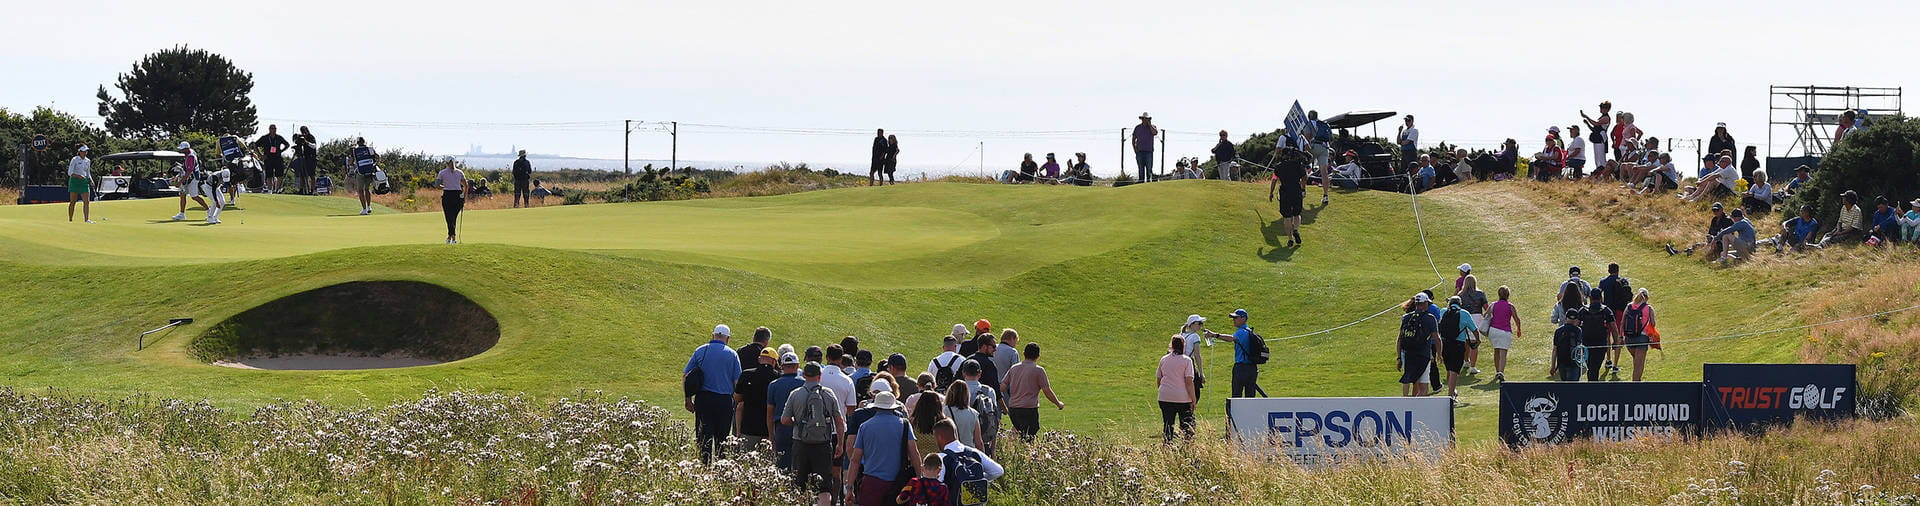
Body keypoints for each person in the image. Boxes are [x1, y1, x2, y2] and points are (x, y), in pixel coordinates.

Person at [781, 362, 846, 506]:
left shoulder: (795, 394)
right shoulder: (828, 394)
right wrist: (840, 444)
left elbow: (784, 420)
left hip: (800, 443)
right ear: (820, 376)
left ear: (803, 375)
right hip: (823, 444)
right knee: (824, 488)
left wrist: (798, 422)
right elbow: (840, 421)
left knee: (799, 485)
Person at [683, 324, 745, 462]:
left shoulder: (700, 351)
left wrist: (687, 399)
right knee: (722, 439)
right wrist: (738, 402)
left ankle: (703, 469)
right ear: (727, 338)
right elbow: (737, 383)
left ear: (713, 335)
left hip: (703, 400)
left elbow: (686, 376)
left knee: (704, 437)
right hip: (724, 401)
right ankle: (720, 469)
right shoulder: (732, 354)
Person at [932, 418, 1003, 506]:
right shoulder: (974, 452)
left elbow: (935, 486)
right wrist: (978, 478)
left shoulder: (941, 458)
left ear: (939, 437)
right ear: (955, 433)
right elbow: (998, 470)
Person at [1001, 342, 1062, 442]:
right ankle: (1025, 455)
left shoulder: (1014, 368)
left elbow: (1002, 387)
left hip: (1014, 408)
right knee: (1029, 436)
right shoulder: (1038, 370)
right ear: (1038, 356)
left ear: (1024, 353)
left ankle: (1013, 451)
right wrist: (1058, 403)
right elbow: (1046, 390)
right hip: (1029, 408)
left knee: (1018, 432)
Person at [1202, 309, 1261, 398]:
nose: (1234, 320)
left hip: (1241, 368)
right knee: (1250, 396)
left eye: (1236, 318)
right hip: (1252, 368)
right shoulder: (1249, 331)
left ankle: (1237, 412)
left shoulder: (1242, 331)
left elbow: (1231, 338)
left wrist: (1215, 335)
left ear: (1243, 318)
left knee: (1236, 395)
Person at [735, 347, 781, 452]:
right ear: (774, 362)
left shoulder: (746, 374)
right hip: (768, 431)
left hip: (748, 428)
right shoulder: (778, 377)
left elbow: (737, 399)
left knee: (745, 463)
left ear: (759, 359)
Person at [766, 352, 805, 470]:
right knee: (800, 466)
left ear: (781, 366)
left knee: (782, 467)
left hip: (781, 428)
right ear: (797, 365)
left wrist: (771, 436)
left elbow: (769, 413)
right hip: (801, 428)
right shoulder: (803, 383)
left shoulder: (773, 385)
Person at [1156, 335, 1197, 442]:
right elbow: (1189, 381)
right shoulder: (1187, 361)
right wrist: (1193, 398)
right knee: (1186, 424)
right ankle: (1187, 446)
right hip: (1182, 397)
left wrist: (1162, 390)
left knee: (1168, 424)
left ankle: (1167, 445)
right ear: (1183, 345)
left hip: (1165, 396)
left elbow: (1159, 378)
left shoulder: (1164, 359)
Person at [1397, 293, 1438, 397]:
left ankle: (1407, 403)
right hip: (1423, 355)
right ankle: (1417, 409)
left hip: (1409, 354)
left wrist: (1399, 358)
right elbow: (1437, 338)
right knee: (1424, 388)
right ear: (1424, 304)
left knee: (1410, 381)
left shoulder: (1406, 317)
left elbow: (1399, 339)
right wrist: (1440, 354)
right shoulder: (1430, 318)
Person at [957, 359, 1001, 456]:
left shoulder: (957, 390)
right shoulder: (988, 391)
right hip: (983, 438)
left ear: (964, 373)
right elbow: (994, 418)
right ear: (980, 373)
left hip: (960, 440)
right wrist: (993, 447)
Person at [1268, 150, 1308, 247]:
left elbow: (1274, 179)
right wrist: (1303, 188)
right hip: (1296, 190)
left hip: (1285, 192)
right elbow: (1305, 177)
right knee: (1297, 214)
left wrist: (1271, 193)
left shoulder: (1279, 166)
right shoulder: (1298, 165)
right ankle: (1296, 230)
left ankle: (1290, 239)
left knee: (1286, 217)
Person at [1577, 287, 1617, 382]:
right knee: (1595, 367)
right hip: (1601, 343)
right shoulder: (1606, 310)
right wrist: (1616, 342)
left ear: (1590, 297)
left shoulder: (1583, 310)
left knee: (1591, 366)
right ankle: (1593, 385)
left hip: (1586, 343)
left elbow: (1576, 325)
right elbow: (1614, 328)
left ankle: (1592, 383)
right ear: (1601, 298)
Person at [1437, 296, 1473, 398]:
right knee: (1454, 370)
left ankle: (1452, 390)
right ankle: (1451, 394)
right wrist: (1478, 340)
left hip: (1445, 344)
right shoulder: (1464, 313)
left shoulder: (1443, 311)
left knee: (1449, 369)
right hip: (1458, 345)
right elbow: (1474, 329)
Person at [1485, 285, 1521, 383]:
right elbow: (1517, 319)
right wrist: (1518, 329)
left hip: (1493, 331)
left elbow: (1486, 315)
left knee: (1496, 351)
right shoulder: (1510, 306)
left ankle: (1497, 371)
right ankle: (1501, 372)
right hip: (1505, 331)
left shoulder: (1493, 304)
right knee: (1503, 353)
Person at [1620, 288, 1656, 382]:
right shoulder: (1648, 308)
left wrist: (1621, 337)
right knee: (1639, 365)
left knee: (1636, 362)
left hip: (1629, 338)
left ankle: (1637, 383)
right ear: (1647, 297)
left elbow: (1622, 322)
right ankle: (1636, 387)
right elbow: (1653, 323)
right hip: (1642, 338)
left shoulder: (1629, 306)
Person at [1456, 274, 1488, 375]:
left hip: (1464, 317)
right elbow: (1486, 307)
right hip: (1477, 317)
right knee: (1474, 343)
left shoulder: (1460, 294)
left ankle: (1466, 361)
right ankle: (1473, 367)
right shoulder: (1480, 293)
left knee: (1466, 341)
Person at [170, 142, 210, 221]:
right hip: (189, 177)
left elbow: (189, 172)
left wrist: (180, 182)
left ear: (186, 149)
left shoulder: (190, 157)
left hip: (193, 178)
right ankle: (182, 214)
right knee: (182, 194)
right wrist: (178, 177)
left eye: (182, 149)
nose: (180, 150)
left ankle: (209, 211)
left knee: (194, 196)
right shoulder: (189, 153)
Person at [435, 158, 471, 244]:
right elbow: (466, 185)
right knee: (453, 218)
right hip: (458, 196)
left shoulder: (442, 173)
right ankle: (450, 237)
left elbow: (436, 185)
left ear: (446, 163)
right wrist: (464, 197)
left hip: (447, 195)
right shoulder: (459, 172)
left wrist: (445, 187)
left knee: (449, 217)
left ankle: (452, 237)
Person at [940, 381, 982, 449]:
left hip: (950, 451)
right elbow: (978, 442)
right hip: (968, 452)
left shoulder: (944, 411)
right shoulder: (973, 413)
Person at [822, 345, 859, 419]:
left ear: (827, 357)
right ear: (841, 359)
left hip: (817, 425)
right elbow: (851, 408)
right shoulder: (847, 381)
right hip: (839, 427)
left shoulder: (817, 376)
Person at [1551, 304, 1585, 382]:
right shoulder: (1578, 330)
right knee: (1573, 388)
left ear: (1566, 318)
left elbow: (1554, 350)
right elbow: (1579, 348)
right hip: (1574, 363)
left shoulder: (1558, 331)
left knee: (1565, 386)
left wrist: (1553, 366)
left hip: (1562, 363)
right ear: (1576, 319)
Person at [1178, 315, 1208, 401]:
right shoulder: (1195, 336)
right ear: (1192, 324)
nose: (1200, 326)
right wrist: (1201, 373)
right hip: (1189, 363)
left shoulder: (1181, 335)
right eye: (1199, 323)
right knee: (1195, 390)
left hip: (1179, 364)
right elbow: (1197, 355)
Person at [254, 125, 290, 193]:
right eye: (272, 128)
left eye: (275, 128)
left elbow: (287, 145)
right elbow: (255, 144)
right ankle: (270, 190)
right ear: (269, 129)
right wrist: (260, 154)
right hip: (268, 158)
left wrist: (281, 151)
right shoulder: (265, 137)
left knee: (280, 175)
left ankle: (277, 190)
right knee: (269, 175)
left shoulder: (279, 137)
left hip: (277, 157)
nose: (274, 130)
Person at [1307, 110, 1333, 204]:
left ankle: (1302, 190)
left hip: (1314, 147)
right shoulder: (1324, 124)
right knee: (1324, 173)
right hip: (1325, 148)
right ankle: (1326, 196)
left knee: (1304, 167)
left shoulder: (1309, 124)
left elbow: (1307, 137)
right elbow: (1331, 138)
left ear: (1309, 116)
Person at [350, 138, 379, 215]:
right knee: (367, 189)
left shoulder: (354, 151)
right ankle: (369, 206)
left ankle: (364, 209)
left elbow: (351, 162)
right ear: (364, 142)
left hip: (360, 172)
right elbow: (377, 157)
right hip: (369, 171)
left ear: (358, 143)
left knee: (360, 191)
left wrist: (352, 167)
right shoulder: (369, 149)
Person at [1581, 101, 1613, 169]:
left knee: (1601, 159)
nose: (1601, 109)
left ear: (1607, 109)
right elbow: (1594, 129)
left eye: (1604, 107)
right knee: (1597, 159)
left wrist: (1587, 117)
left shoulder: (1606, 118)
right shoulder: (1601, 117)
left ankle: (1604, 173)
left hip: (1601, 139)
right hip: (1597, 139)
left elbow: (1596, 123)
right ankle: (1599, 173)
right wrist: (1587, 124)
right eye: (1601, 107)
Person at [66, 145, 93, 223]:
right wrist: (78, 176)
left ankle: (86, 219)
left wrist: (91, 180)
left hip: (84, 182)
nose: (85, 153)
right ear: (80, 152)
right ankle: (70, 219)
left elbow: (88, 172)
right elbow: (70, 172)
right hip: (74, 181)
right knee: (73, 202)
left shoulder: (88, 161)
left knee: (86, 201)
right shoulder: (74, 159)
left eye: (86, 151)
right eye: (84, 151)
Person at [1133, 113, 1157, 182]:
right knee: (1141, 168)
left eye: (1147, 119)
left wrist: (1150, 125)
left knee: (1149, 168)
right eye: (1144, 118)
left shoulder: (1152, 127)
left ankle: (1149, 181)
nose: (1146, 120)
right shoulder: (1137, 127)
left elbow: (1155, 132)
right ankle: (1141, 181)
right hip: (1139, 151)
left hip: (1149, 151)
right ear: (1142, 119)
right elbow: (1133, 138)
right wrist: (1135, 148)